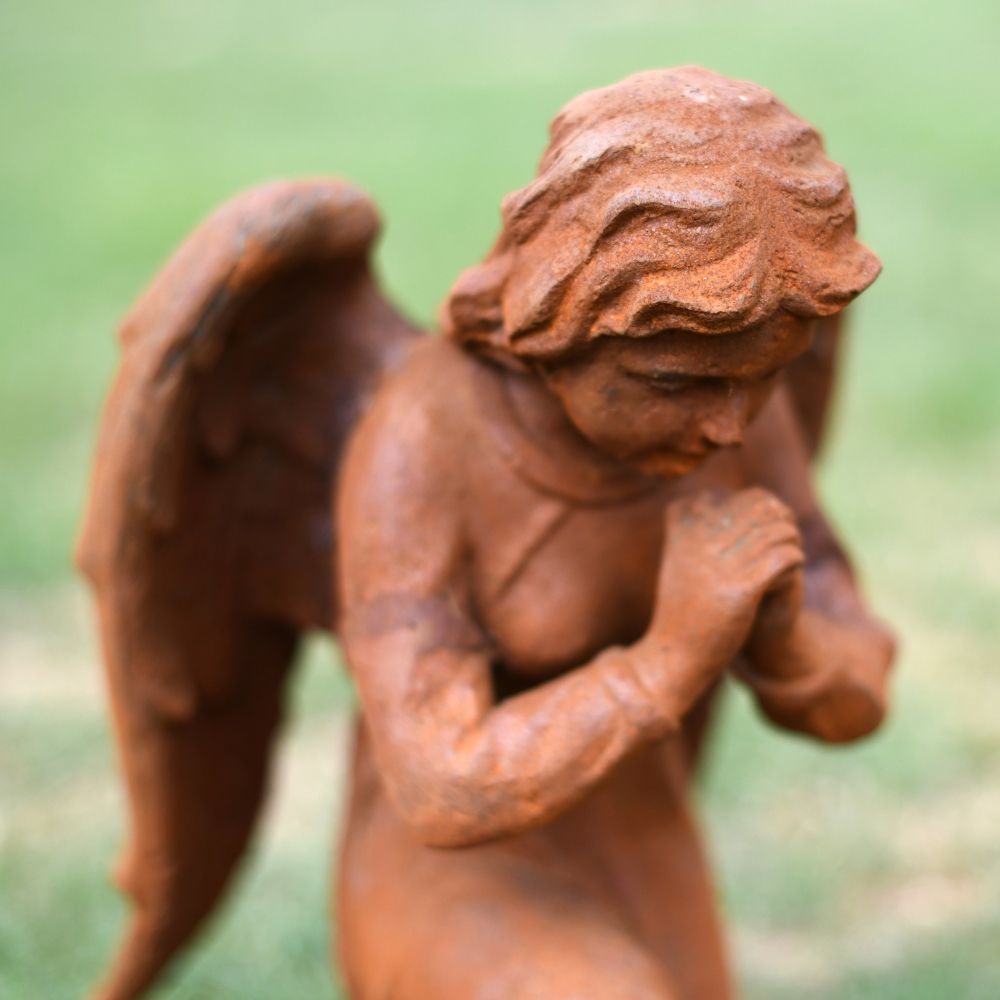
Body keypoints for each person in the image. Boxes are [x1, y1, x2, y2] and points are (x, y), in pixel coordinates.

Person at [333, 67, 894, 999]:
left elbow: (857, 702)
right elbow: (437, 785)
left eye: (765, 376)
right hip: (458, 874)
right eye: (674, 384)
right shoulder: (424, 437)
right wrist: (668, 660)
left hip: (640, 844)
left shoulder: (734, 391)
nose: (730, 429)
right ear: (564, 322)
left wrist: (786, 631)